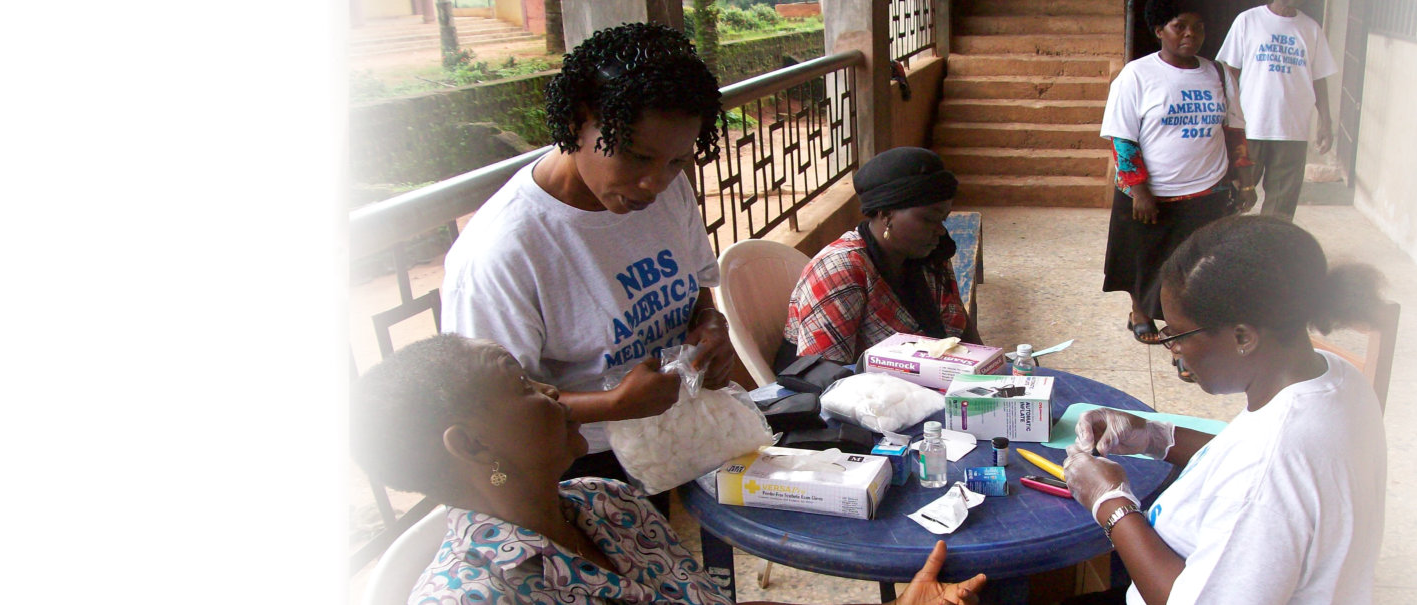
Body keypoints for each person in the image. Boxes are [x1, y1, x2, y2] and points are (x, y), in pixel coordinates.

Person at [350, 334, 988, 604]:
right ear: (471, 446)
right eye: (519, 384)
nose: (549, 391)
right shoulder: (475, 598)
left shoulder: (609, 504)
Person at [439, 23, 739, 503]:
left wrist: (709, 324)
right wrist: (614, 404)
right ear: (580, 120)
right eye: (637, 156)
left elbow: (696, 284)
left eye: (677, 162)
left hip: (669, 435)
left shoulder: (665, 191)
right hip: (575, 466)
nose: (654, 184)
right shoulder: (502, 253)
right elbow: (489, 408)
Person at [1062, 216, 1389, 605]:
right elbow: (1253, 451)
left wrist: (1110, 503)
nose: (1175, 353)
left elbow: (1264, 471)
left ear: (1242, 336)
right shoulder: (1333, 379)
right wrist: (1156, 436)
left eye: (1179, 336)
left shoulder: (1266, 473)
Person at [1101, 0, 1251, 353]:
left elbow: (1234, 131)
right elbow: (1123, 139)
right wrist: (1139, 190)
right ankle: (1140, 310)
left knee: (1192, 263)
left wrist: (1244, 180)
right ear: (1158, 30)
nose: (1190, 35)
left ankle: (1179, 318)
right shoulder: (1137, 75)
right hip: (1154, 191)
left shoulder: (1218, 74)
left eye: (1197, 27)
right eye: (1179, 26)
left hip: (1207, 188)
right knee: (1145, 257)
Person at [783, 147, 980, 366]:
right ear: (886, 214)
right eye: (929, 219)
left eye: (943, 219)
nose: (941, 230)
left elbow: (969, 341)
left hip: (923, 386)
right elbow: (826, 378)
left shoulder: (930, 255)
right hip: (850, 393)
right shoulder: (841, 270)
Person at [1215, 0, 1339, 220]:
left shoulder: (1311, 28)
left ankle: (1269, 249)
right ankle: (1226, 249)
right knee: (1235, 196)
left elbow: (1319, 78)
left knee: (1281, 207)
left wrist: (1325, 121)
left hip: (1293, 129)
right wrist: (1222, 119)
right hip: (1250, 126)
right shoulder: (1248, 21)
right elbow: (1229, 72)